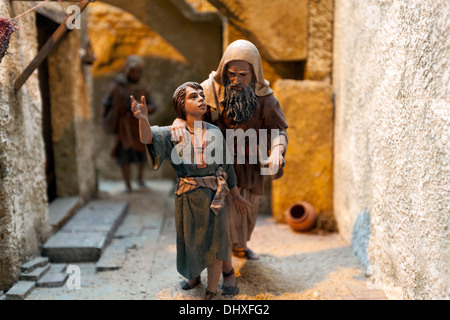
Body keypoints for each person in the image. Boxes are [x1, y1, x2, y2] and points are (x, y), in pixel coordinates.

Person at [171, 40, 288, 270]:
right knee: (220, 218)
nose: (236, 80)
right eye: (231, 74)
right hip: (216, 168)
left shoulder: (266, 99)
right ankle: (223, 266)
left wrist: (277, 150)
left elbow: (279, 131)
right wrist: (178, 119)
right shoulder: (208, 91)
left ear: (254, 73)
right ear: (224, 69)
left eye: (243, 75)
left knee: (246, 216)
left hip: (248, 167)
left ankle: (240, 246)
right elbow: (187, 109)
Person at [130, 82, 252, 300]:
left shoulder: (214, 132)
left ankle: (212, 291)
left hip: (214, 197)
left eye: (202, 95)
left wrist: (236, 195)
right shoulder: (173, 132)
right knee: (191, 242)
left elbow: (227, 166)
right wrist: (143, 120)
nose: (201, 99)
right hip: (187, 197)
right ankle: (194, 276)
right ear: (182, 105)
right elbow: (148, 139)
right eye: (194, 97)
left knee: (215, 244)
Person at [101, 55, 157, 193]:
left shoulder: (144, 88)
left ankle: (139, 179)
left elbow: (153, 105)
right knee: (124, 155)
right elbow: (107, 103)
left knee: (142, 153)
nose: (135, 74)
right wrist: (104, 119)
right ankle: (127, 184)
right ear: (127, 70)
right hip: (124, 126)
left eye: (138, 71)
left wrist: (144, 108)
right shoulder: (117, 86)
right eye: (132, 71)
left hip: (138, 124)